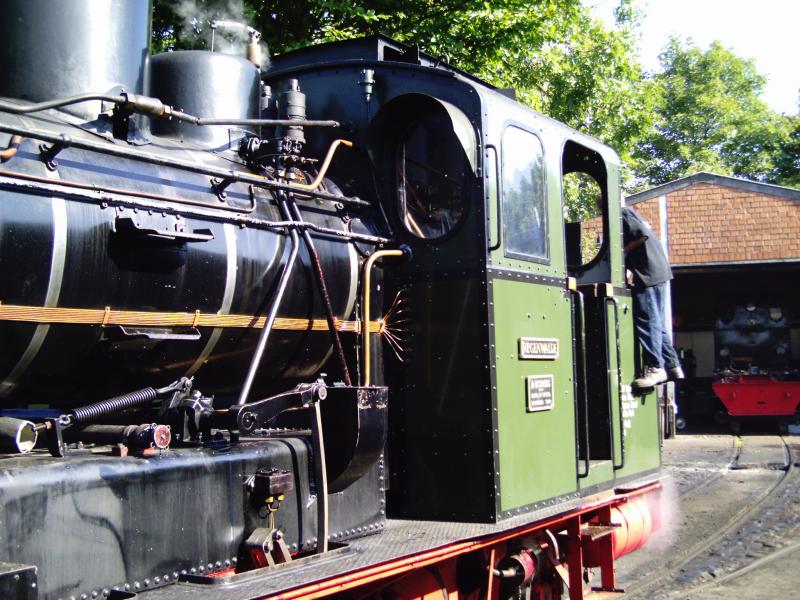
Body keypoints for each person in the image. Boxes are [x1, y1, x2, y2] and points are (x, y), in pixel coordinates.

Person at [621, 206, 684, 388]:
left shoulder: (622, 214)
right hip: (657, 273)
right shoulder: (632, 215)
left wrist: (622, 251)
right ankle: (672, 365)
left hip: (648, 274)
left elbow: (641, 236)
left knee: (647, 320)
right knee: (656, 322)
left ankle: (655, 368)